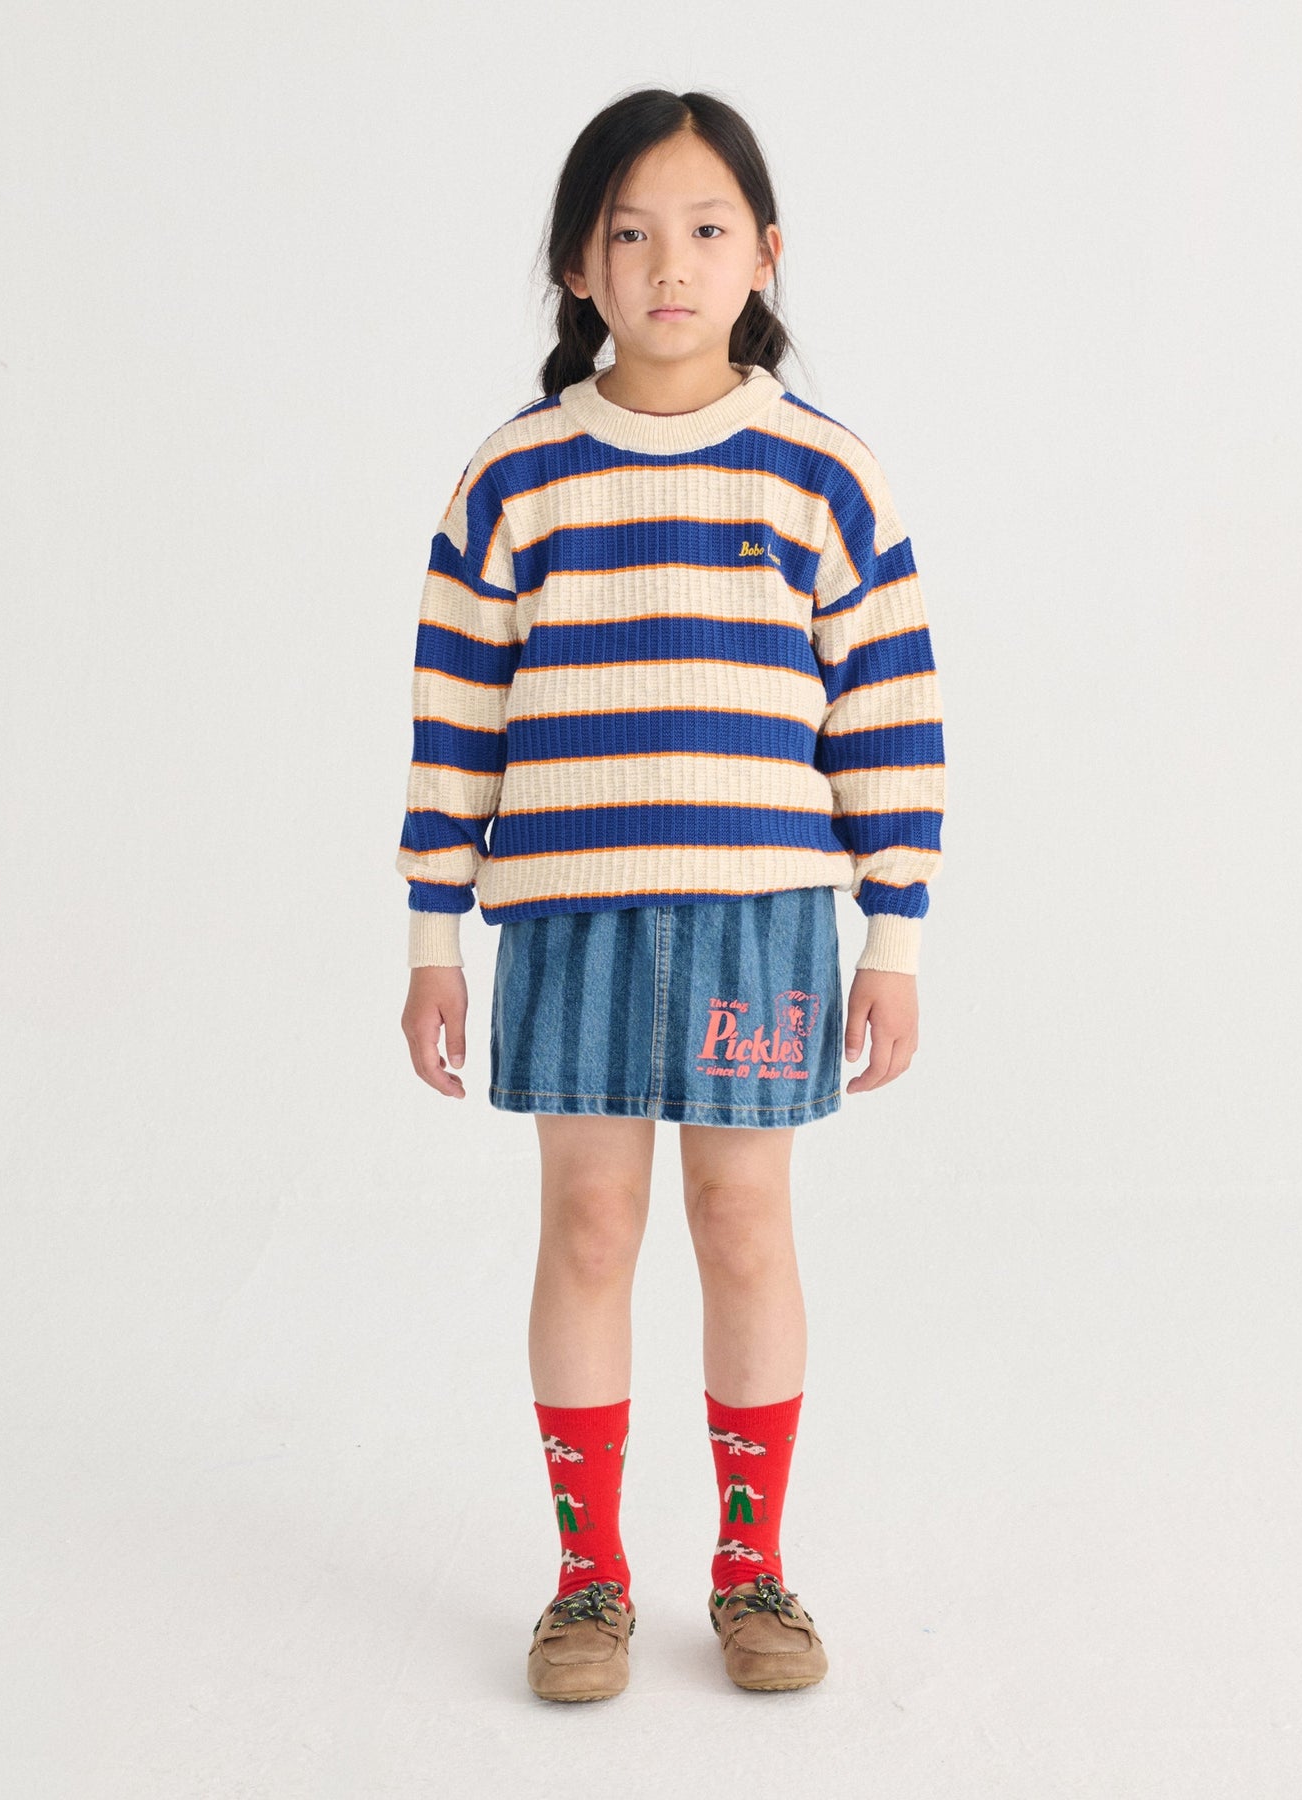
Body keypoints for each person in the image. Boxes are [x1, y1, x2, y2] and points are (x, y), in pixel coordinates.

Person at [395, 88, 947, 1702]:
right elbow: (452, 720)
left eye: (706, 229)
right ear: (578, 266)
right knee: (588, 1225)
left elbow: (891, 713)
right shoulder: (516, 479)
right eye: (628, 233)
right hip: (567, 915)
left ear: (765, 253)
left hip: (759, 920)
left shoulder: (821, 474)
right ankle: (589, 1582)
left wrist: (895, 937)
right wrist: (432, 937)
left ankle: (752, 1566)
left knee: (744, 1223)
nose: (669, 264)